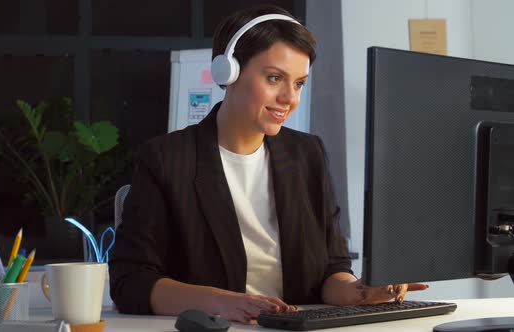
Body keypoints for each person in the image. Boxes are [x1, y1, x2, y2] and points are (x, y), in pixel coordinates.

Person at [109, 5, 428, 324]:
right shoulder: (167, 159)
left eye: (299, 83)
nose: (290, 98)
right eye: (275, 78)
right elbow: (131, 282)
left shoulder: (307, 153)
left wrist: (361, 292)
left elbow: (332, 271)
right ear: (228, 72)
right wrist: (220, 302)